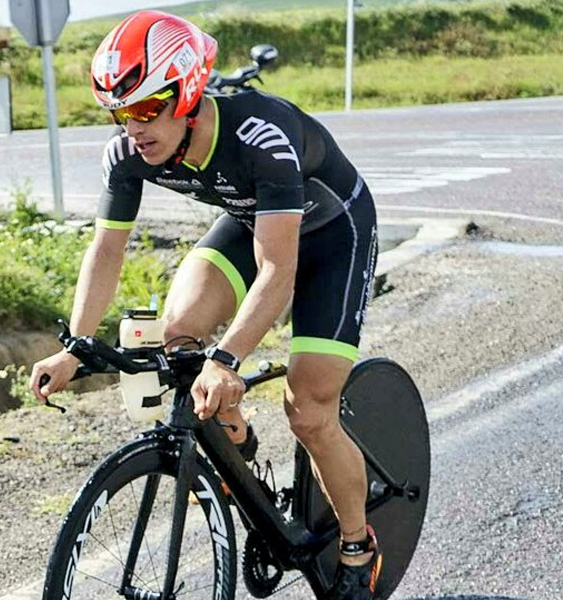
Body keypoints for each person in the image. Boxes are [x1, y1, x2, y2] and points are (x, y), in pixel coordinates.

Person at [29, 10, 382, 599]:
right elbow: (106, 249)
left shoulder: (258, 135)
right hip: (253, 223)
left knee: (309, 410)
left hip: (331, 236)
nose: (132, 128)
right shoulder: (128, 152)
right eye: (120, 113)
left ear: (187, 92)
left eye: (145, 110)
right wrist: (74, 348)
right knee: (179, 334)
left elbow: (279, 269)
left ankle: (356, 547)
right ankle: (235, 443)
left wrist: (229, 359)